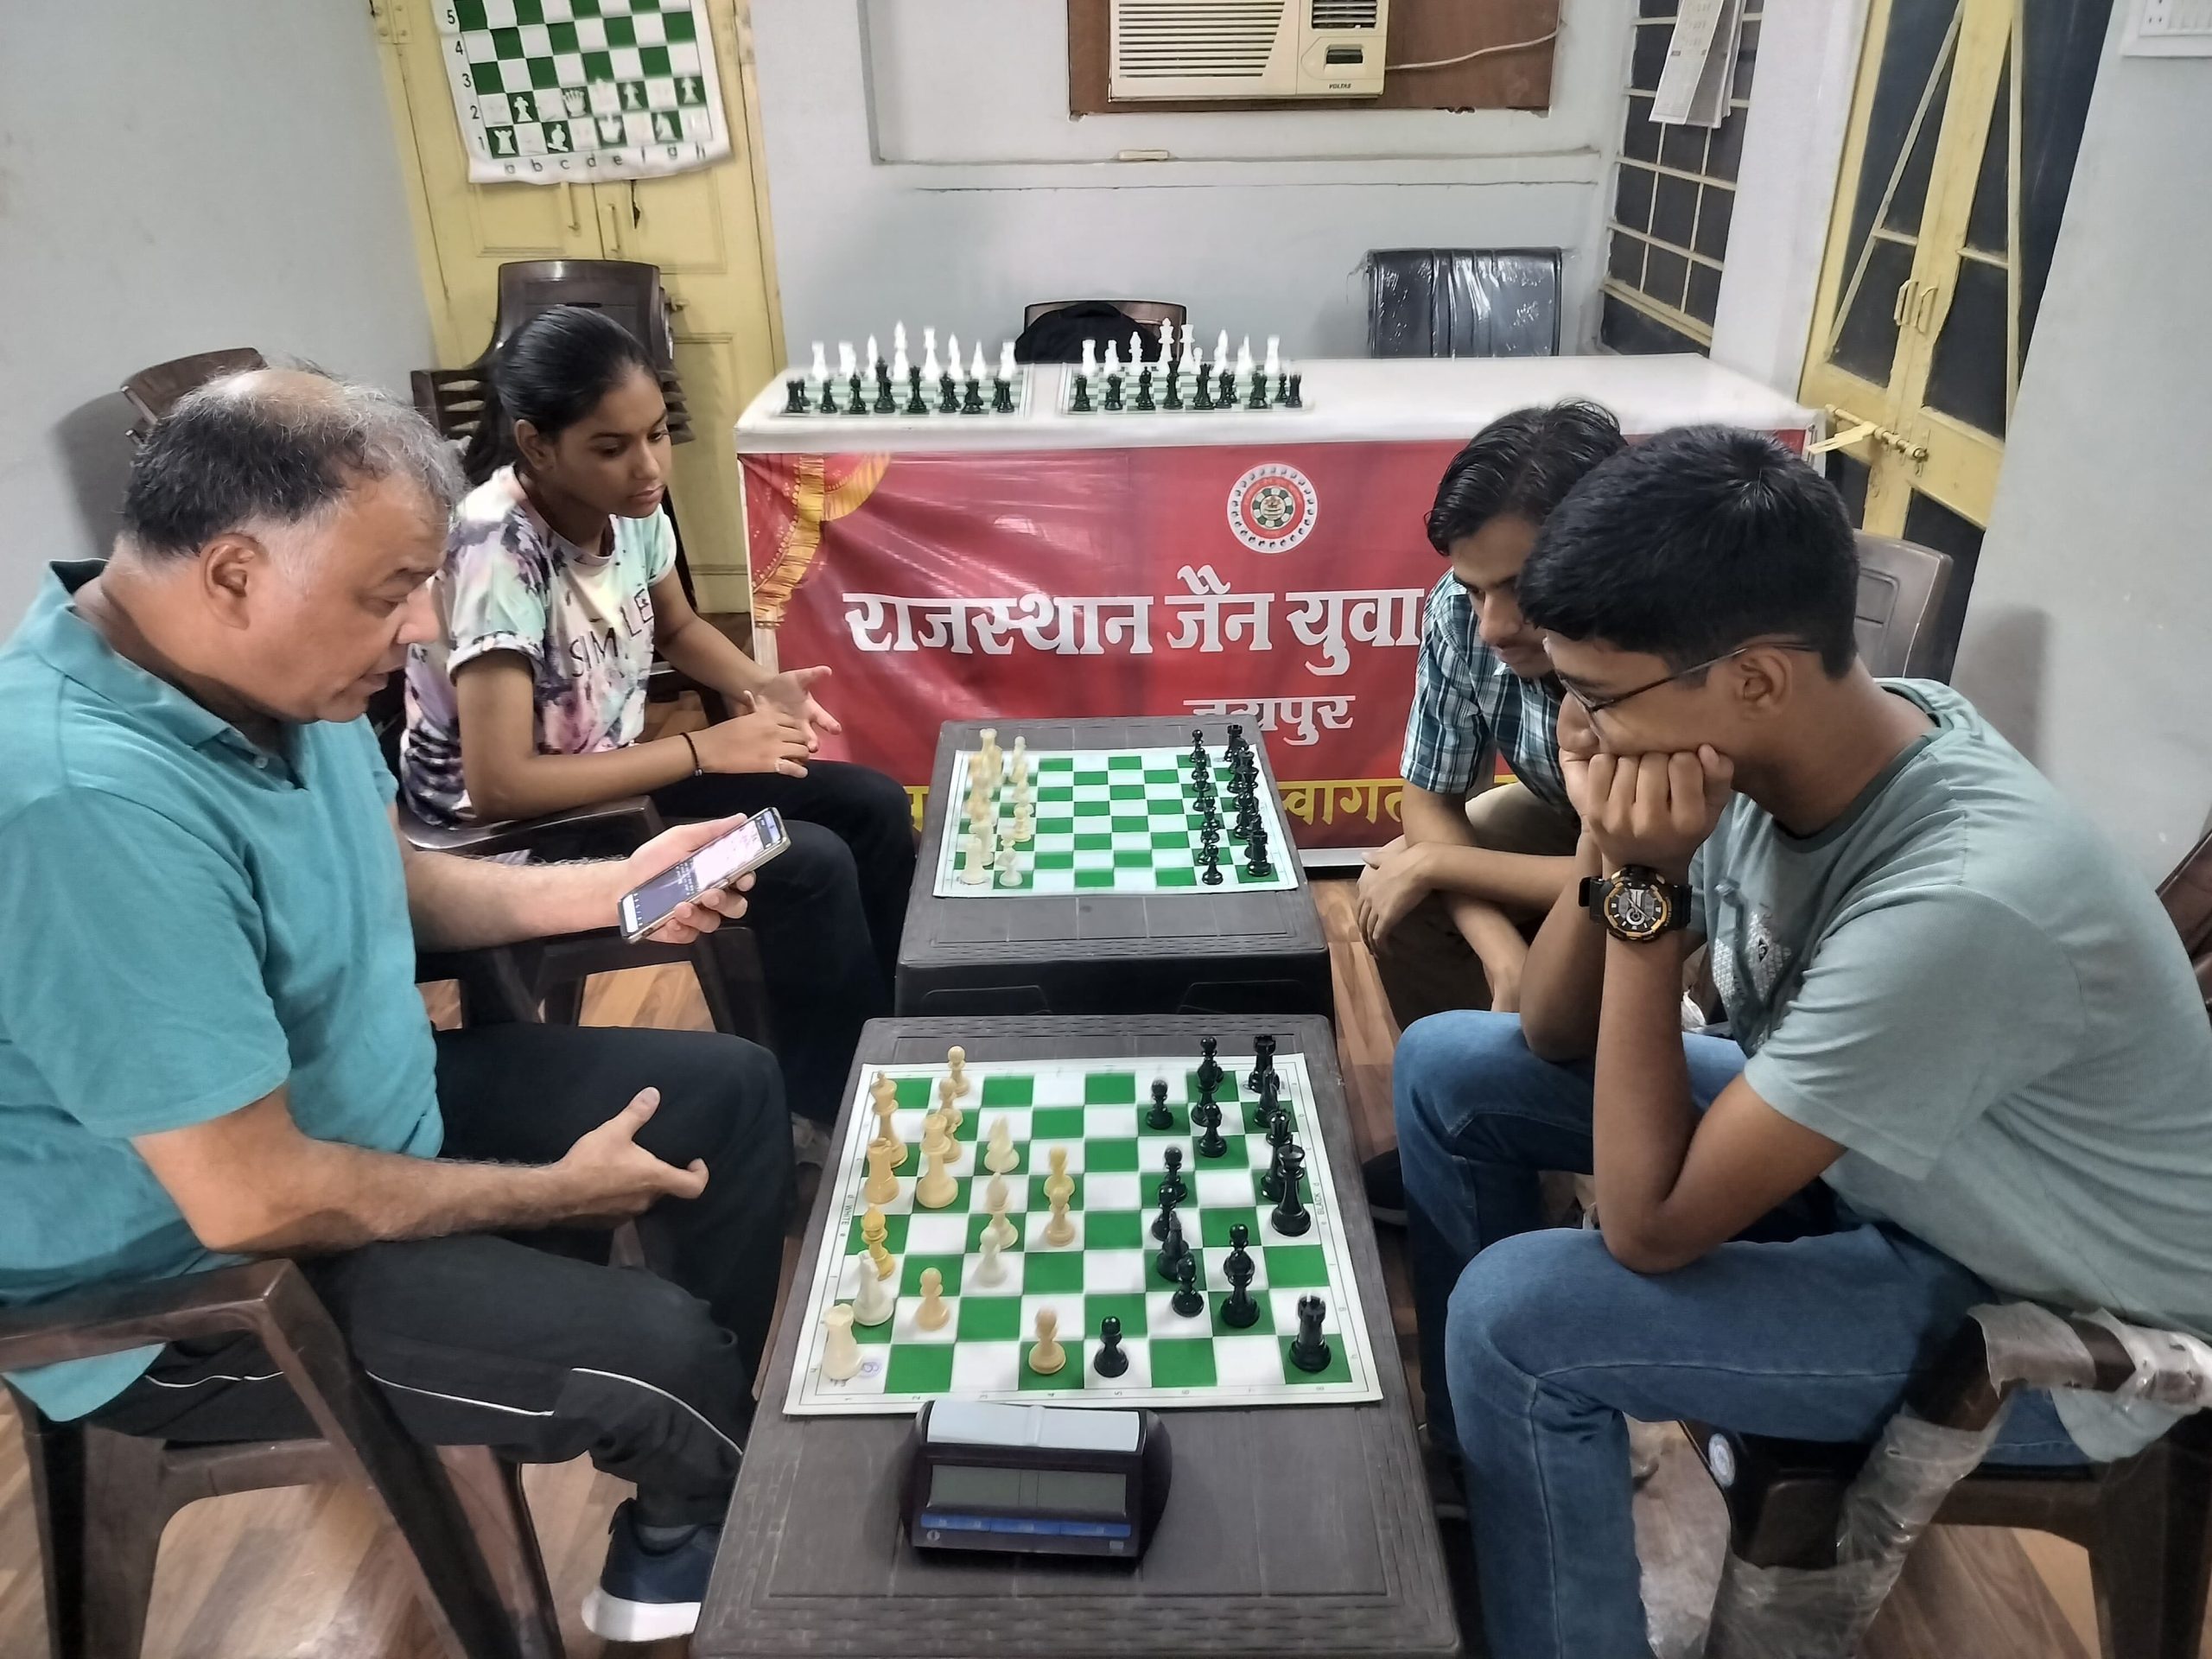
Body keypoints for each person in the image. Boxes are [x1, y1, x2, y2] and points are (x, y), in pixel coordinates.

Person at [0, 371, 797, 1643]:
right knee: (657, 1353)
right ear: (234, 572)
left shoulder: (268, 673)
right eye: (389, 592)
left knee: (731, 1096)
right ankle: (703, 1489)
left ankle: (689, 1500)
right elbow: (251, 1198)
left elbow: (398, 883)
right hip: (208, 1282)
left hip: (356, 1120)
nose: (423, 626)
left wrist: (614, 885)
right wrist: (551, 1194)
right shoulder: (81, 803)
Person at [1394, 426, 2212, 1659]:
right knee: (1451, 1068)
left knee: (1518, 1320)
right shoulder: (1806, 746)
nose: (1583, 734)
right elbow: (1550, 1029)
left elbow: (1649, 1228)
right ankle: (1497, 1473)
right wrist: (1613, 845)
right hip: (1900, 1169)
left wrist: (1651, 884)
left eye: (1600, 699)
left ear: (1757, 680)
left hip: (2043, 1316)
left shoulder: (1961, 902)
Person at [401, 305, 916, 1128]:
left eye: (656, 435)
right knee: (806, 862)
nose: (647, 467)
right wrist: (704, 750)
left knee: (872, 804)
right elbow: (500, 786)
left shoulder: (629, 508)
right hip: (515, 838)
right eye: (611, 447)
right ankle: (833, 1110)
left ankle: (898, 1033)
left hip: (608, 782)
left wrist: (761, 685)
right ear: (537, 445)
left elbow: (675, 626)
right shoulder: (498, 550)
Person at [1354, 402, 1625, 1221]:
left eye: (1521, 589)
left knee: (1433, 870)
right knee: (1398, 885)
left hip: (1674, 866)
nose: (1495, 624)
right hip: (1572, 821)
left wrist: (1442, 861)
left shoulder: (1660, 633)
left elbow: (1653, 873)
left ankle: (1591, 1149)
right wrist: (1502, 952)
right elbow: (1429, 796)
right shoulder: (1458, 610)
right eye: (1476, 589)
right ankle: (1479, 1134)